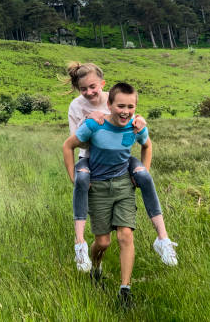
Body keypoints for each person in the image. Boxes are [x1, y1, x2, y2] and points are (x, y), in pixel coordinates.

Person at [65, 62, 177, 272]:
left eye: (93, 87)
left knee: (144, 177)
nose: (89, 92)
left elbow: (128, 114)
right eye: (83, 89)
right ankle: (79, 244)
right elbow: (77, 140)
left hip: (119, 156)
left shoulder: (112, 99)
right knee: (81, 180)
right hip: (90, 156)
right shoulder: (76, 106)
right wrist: (90, 120)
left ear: (102, 84)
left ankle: (163, 238)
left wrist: (139, 120)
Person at [63, 82, 151, 307]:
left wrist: (143, 174)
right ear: (109, 104)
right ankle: (96, 267)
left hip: (123, 186)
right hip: (98, 186)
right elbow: (69, 144)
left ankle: (125, 290)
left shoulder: (134, 126)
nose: (126, 111)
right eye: (120, 105)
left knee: (125, 236)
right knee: (103, 242)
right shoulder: (96, 124)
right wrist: (74, 177)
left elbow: (147, 145)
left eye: (131, 107)